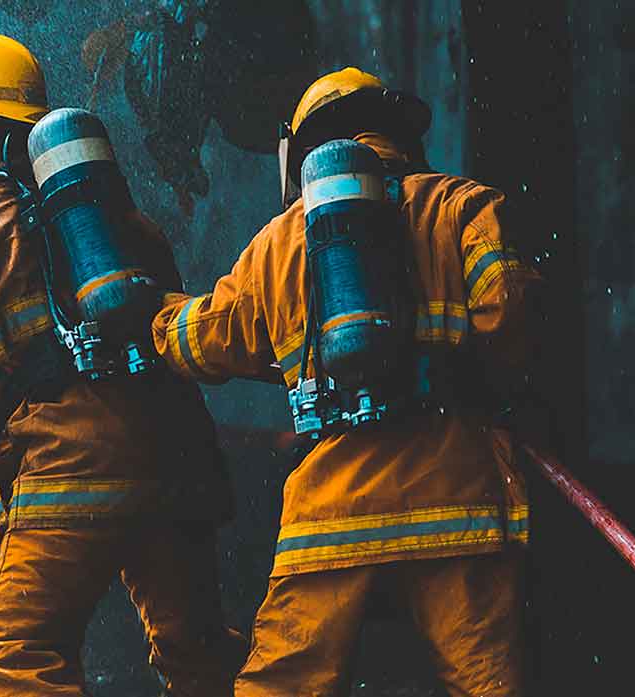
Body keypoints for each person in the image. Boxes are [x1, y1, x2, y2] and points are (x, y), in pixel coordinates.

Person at [151, 67, 540, 696]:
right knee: (489, 686)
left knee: (278, 685)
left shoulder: (279, 241)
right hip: (455, 501)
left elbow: (208, 343)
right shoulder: (465, 206)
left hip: (332, 519)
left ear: (301, 151)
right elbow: (510, 321)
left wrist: (155, 316)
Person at [0, 32, 243, 697]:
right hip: (175, 461)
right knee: (199, 656)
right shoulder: (116, 217)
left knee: (18, 660)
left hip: (72, 469)